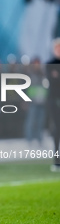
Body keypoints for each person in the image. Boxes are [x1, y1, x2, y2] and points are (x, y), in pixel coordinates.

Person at [46, 38, 60, 172]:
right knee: (57, 129)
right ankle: (57, 160)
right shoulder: (50, 64)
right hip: (54, 101)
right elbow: (52, 81)